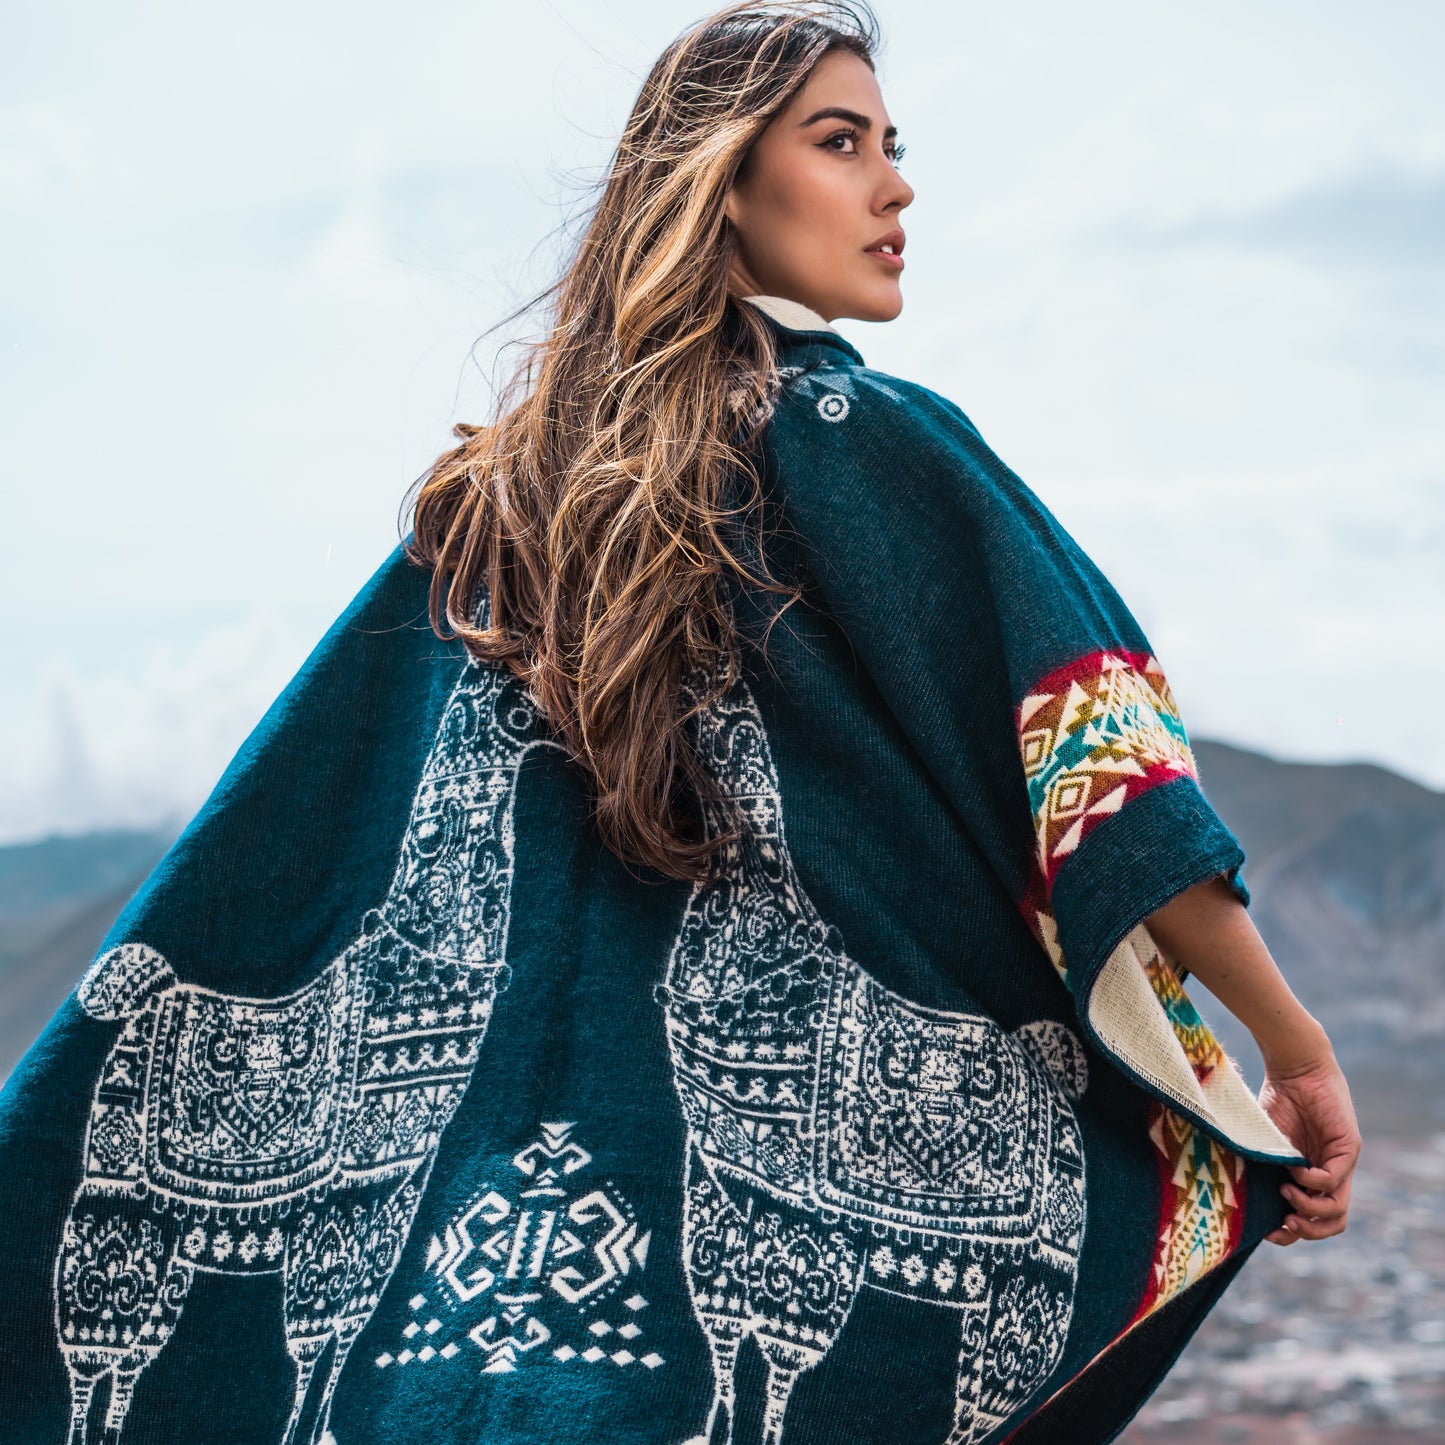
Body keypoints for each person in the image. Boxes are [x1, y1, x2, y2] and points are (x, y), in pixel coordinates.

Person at [0, 3, 1361, 1443]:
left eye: (894, 148)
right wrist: (1289, 1049)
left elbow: (286, 842)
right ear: (713, 177)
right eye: (839, 143)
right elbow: (1103, 778)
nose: (894, 186)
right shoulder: (868, 442)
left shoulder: (491, 514)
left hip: (469, 1336)